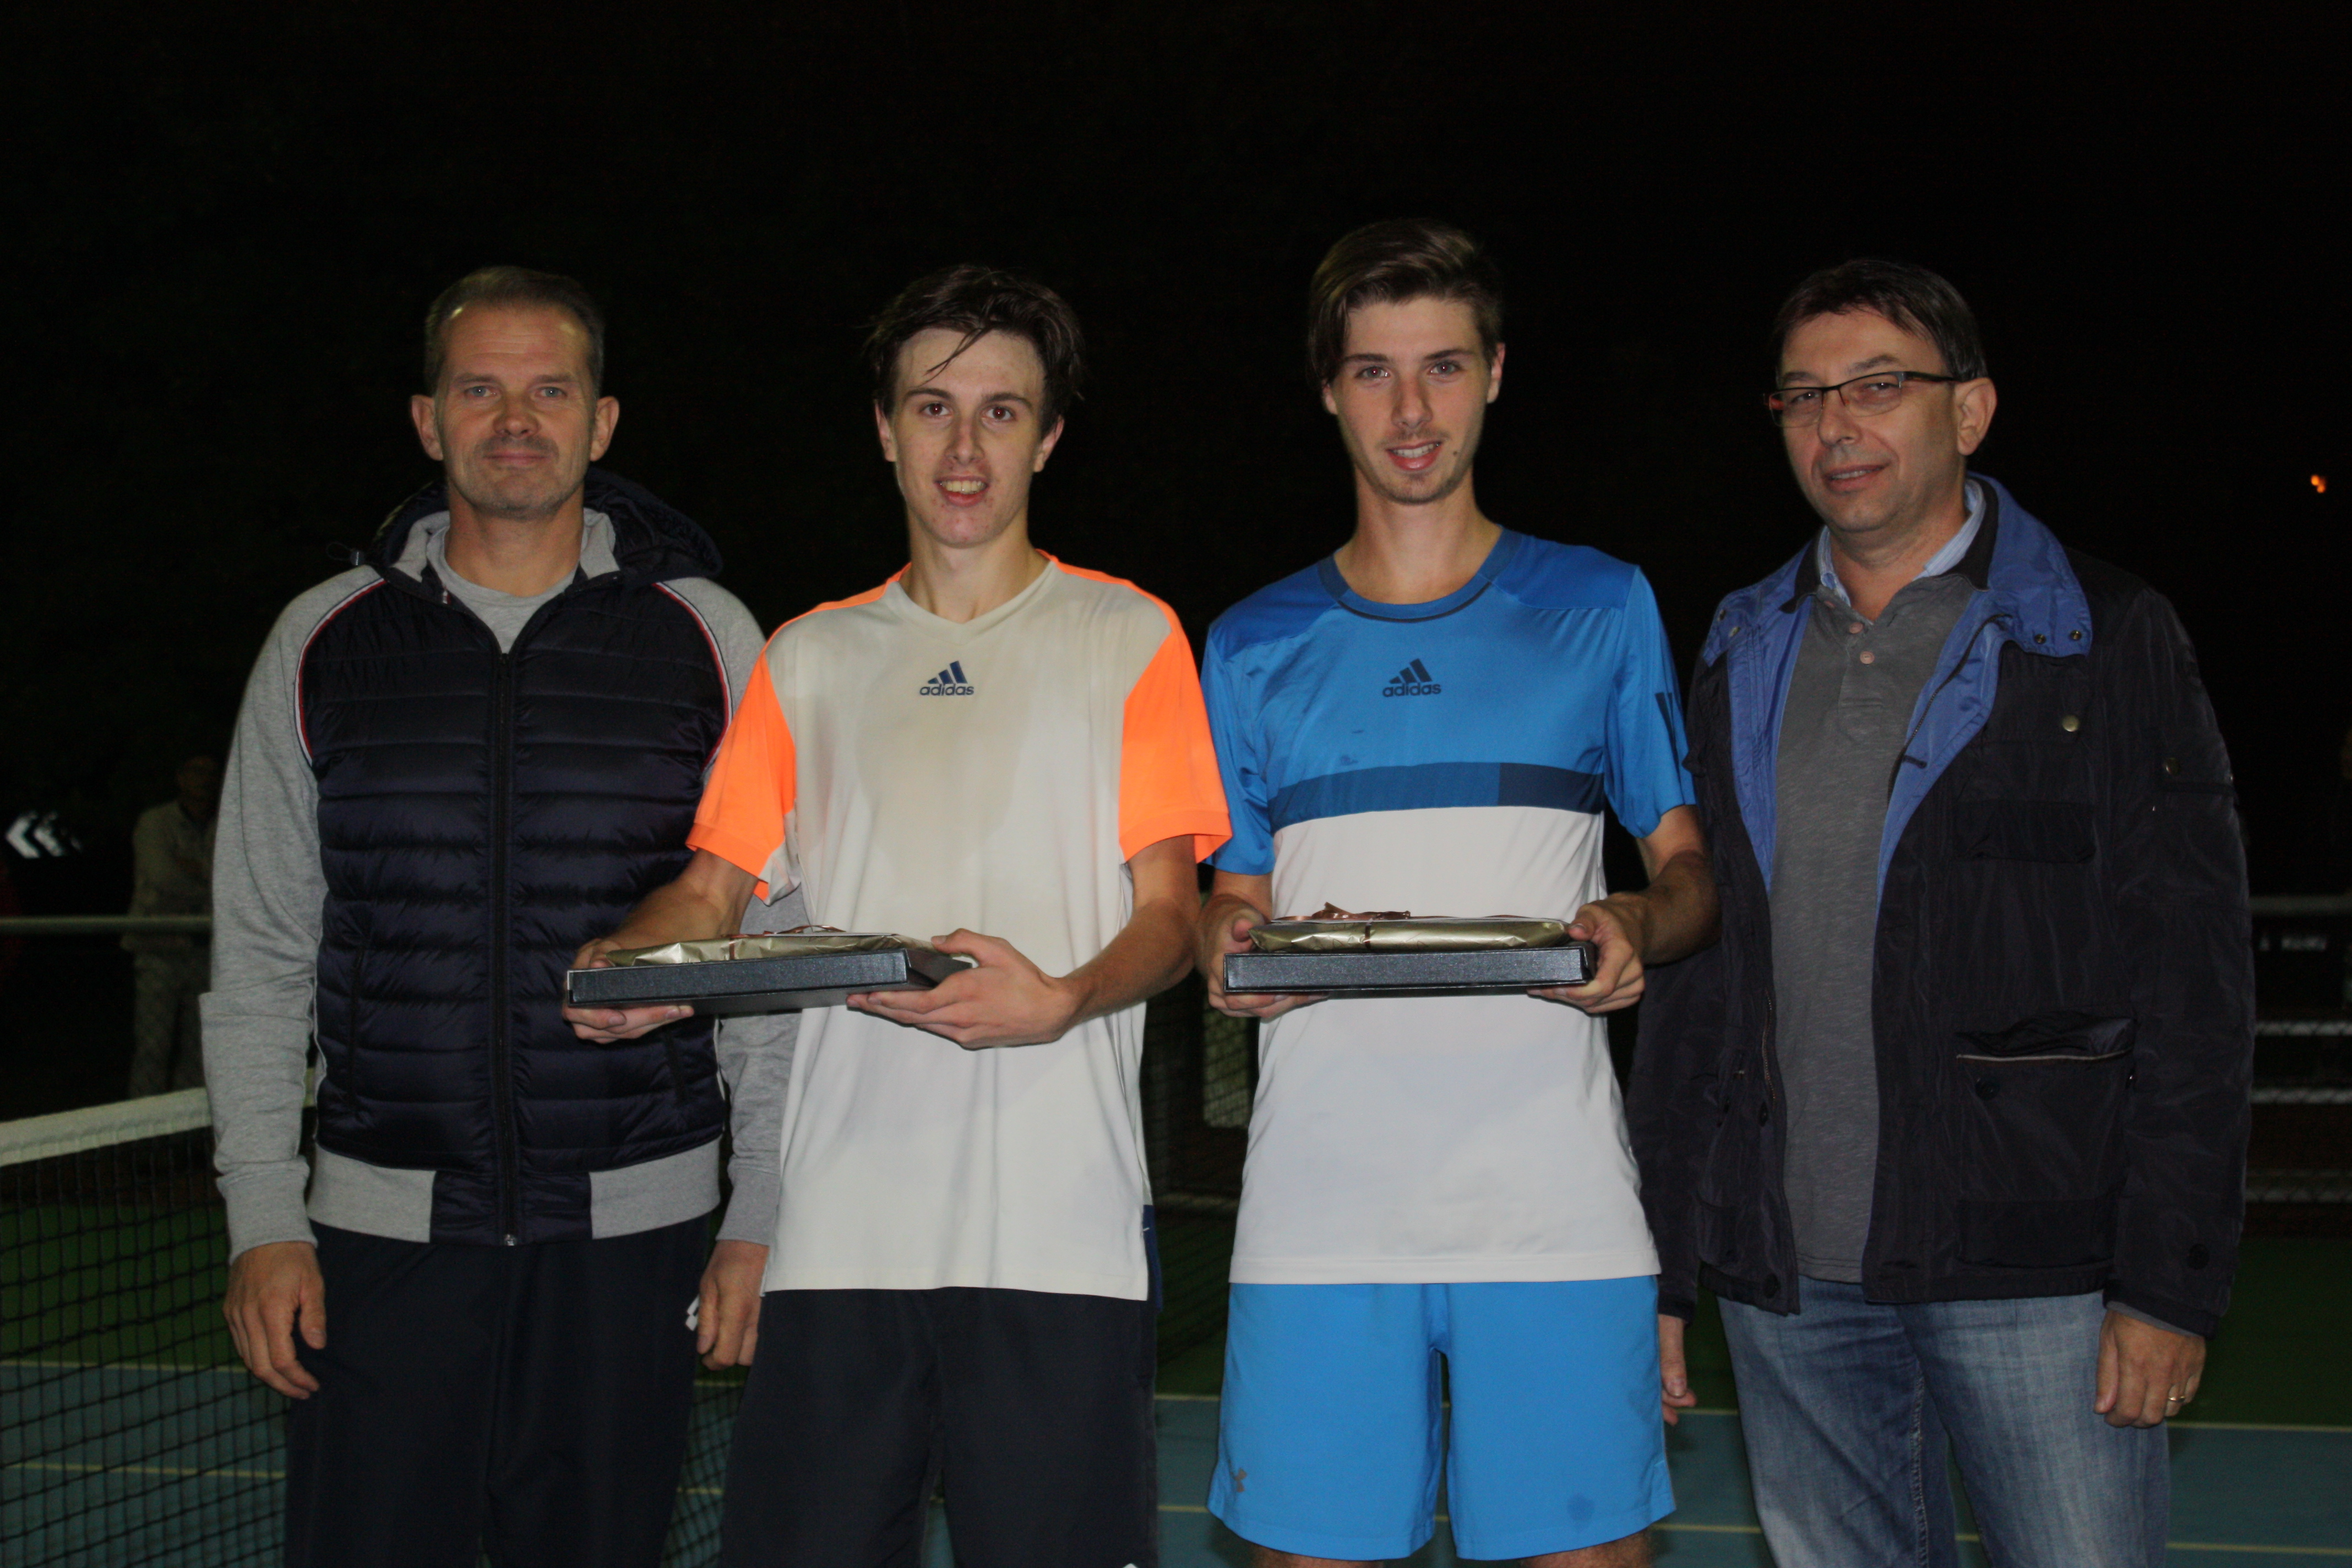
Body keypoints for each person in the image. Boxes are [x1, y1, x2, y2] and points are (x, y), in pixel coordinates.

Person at [567, 265, 1231, 1568]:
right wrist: (634, 961)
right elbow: (710, 891)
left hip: (1060, 1243)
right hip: (840, 1243)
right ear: (884, 427)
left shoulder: (1131, 634)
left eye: (1001, 411)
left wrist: (1060, 999)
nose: (964, 447)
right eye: (933, 407)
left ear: (1048, 437)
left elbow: (1172, 915)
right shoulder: (807, 657)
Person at [1630, 259, 2253, 1568]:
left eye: (1876, 386)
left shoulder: (2106, 636)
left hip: (2040, 1271)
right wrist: (1671, 1257)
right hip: (1792, 1278)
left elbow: (2195, 983)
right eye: (1803, 395)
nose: (1834, 425)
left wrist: (2168, 1277)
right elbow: (1704, 973)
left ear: (1968, 411)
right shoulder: (1740, 642)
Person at [203, 266, 787, 1568]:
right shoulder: (320, 640)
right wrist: (267, 1218)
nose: (515, 419)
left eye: (549, 390)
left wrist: (759, 1208)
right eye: (480, 388)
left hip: (632, 1242)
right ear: (428, 420)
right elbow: (261, 955)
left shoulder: (709, 637)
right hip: (379, 1245)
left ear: (602, 421)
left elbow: (765, 947)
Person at [1192, 219, 1718, 1568]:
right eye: (1373, 371)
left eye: (1441, 366)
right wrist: (1226, 940)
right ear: (1329, 390)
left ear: (1495, 373)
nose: (1411, 410)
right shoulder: (1250, 643)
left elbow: (1687, 874)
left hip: (1553, 1205)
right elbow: (1229, 898)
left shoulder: (1600, 605)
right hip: (1319, 1210)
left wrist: (1635, 922)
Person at [124, 752, 219, 1095]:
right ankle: (143, 1123)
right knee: (153, 1047)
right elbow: (161, 877)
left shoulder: (226, 823)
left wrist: (192, 869)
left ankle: (186, 1125)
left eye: (211, 772)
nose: (205, 779)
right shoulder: (156, 822)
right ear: (180, 777)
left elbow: (237, 880)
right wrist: (210, 879)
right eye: (197, 770)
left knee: (199, 1050)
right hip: (159, 949)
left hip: (205, 952)